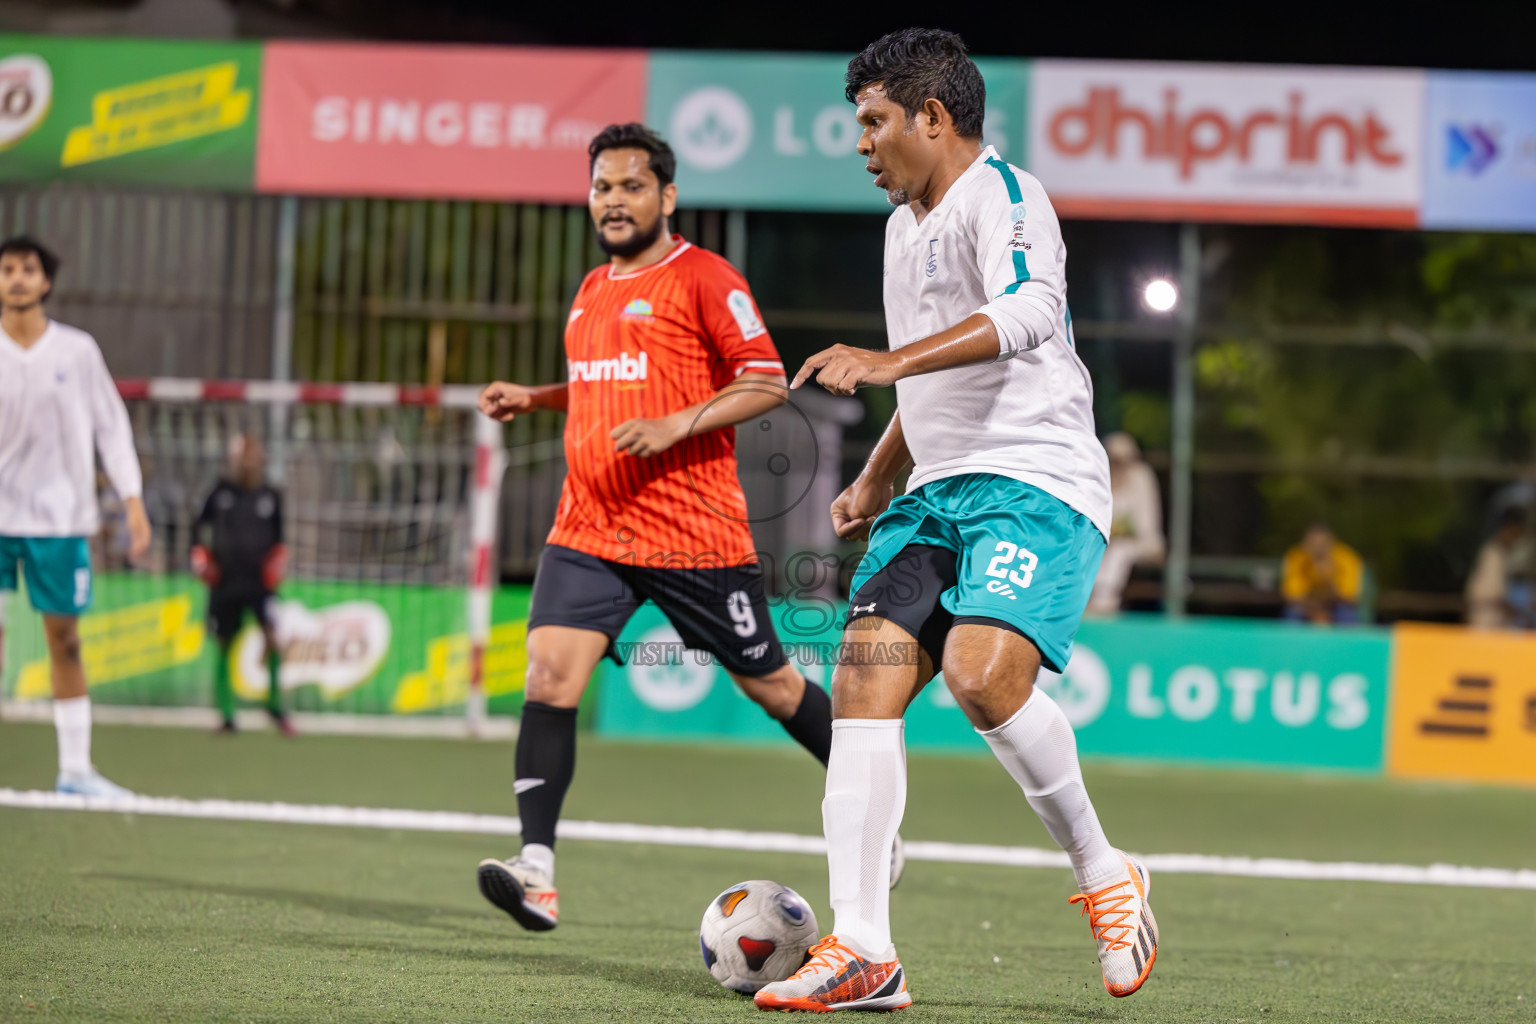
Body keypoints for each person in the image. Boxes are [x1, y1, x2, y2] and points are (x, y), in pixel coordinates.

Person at [755, 30, 1156, 1012]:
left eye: (876, 122)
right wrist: (881, 472)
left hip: (1036, 480)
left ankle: (1107, 872)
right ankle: (865, 950)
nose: (864, 143)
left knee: (982, 677)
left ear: (933, 119)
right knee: (862, 676)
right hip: (937, 487)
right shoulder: (903, 230)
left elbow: (1024, 317)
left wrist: (889, 365)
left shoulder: (1007, 199)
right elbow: (932, 383)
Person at [473, 123, 901, 934]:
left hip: (690, 535)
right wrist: (538, 398)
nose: (614, 201)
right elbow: (601, 389)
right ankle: (538, 869)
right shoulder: (593, 288)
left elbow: (768, 383)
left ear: (666, 197)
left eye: (632, 186)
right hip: (590, 527)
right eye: (602, 187)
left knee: (771, 686)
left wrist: (676, 425)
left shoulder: (704, 276)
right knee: (548, 677)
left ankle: (879, 828)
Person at [0, 235, 150, 797]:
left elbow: (111, 426)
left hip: (59, 521)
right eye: (7, 268)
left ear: (45, 282)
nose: (16, 277)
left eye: (27, 269)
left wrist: (132, 499)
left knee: (64, 640)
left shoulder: (77, 351)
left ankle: (76, 770)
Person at [191, 433, 292, 734]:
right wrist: (201, 558)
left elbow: (280, 540)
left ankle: (275, 707)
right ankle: (226, 714)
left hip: (260, 584)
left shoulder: (270, 495)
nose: (247, 462)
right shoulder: (219, 492)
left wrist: (277, 565)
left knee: (272, 638)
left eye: (252, 455)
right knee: (223, 643)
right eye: (241, 456)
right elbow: (198, 528)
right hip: (225, 581)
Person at [1087, 432, 1166, 614]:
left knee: (1120, 550)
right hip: (1106, 540)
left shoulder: (1141, 477)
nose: (1120, 464)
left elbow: (1145, 523)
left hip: (1140, 542)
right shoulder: (1101, 475)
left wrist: (1119, 530)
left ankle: (1104, 602)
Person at [1281, 523, 1363, 625]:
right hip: (1306, 606)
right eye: (1313, 543)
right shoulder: (1297, 556)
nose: (1318, 547)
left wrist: (1327, 576)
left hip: (1335, 605)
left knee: (1346, 615)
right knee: (1292, 614)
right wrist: (1314, 611)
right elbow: (1291, 596)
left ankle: (1351, 641)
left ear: (1332, 542)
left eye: (1322, 543)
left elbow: (1349, 597)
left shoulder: (1347, 557)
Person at [1465, 507, 1531, 630]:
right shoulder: (1492, 554)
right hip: (1485, 618)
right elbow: (1492, 594)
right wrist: (1511, 608)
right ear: (1505, 529)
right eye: (1514, 533)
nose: (1516, 540)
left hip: (1495, 621)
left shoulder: (1503, 554)